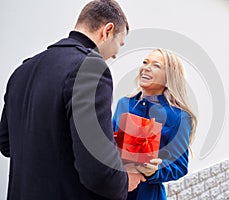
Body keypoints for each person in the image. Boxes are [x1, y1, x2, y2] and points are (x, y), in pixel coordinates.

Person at [0, 0, 145, 200]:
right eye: (119, 44)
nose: (116, 54)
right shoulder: (91, 68)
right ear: (107, 31)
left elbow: (6, 144)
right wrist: (125, 180)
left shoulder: (21, 71)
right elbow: (98, 172)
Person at [112, 48, 197, 199]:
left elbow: (180, 167)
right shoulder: (123, 104)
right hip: (114, 190)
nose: (146, 67)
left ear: (169, 77)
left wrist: (155, 171)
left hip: (147, 195)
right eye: (145, 62)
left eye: (156, 65)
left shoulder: (179, 117)